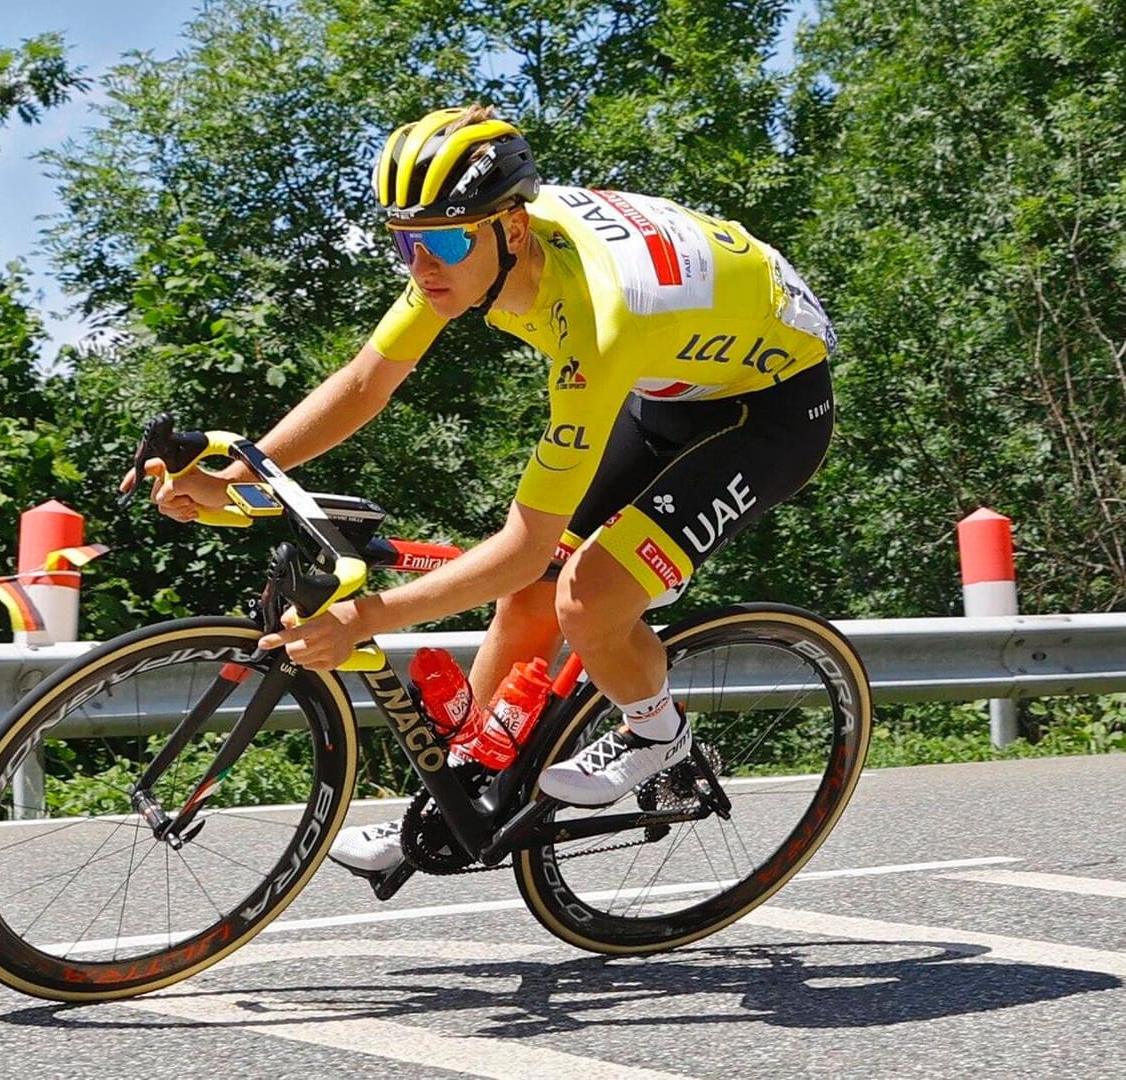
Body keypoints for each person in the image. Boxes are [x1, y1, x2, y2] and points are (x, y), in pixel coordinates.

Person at [124, 105, 837, 876]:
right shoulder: (465, 250)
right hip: (673, 381)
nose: (421, 266)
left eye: (443, 243)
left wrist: (369, 618)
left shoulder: (598, 321)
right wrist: (238, 471)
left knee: (584, 598)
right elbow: (367, 381)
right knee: (525, 596)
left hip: (773, 409)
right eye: (405, 242)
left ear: (512, 231)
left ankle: (656, 730)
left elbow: (522, 546)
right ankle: (460, 803)